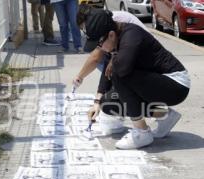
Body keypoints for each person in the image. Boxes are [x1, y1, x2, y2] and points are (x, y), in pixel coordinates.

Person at [75, 7, 190, 149]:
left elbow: (118, 71)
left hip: (176, 84)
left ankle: (142, 132)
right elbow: (107, 70)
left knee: (120, 74)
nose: (100, 48)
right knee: (109, 103)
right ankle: (164, 115)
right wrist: (97, 102)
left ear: (111, 35)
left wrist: (113, 60)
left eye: (99, 44)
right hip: (156, 83)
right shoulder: (116, 38)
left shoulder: (131, 35)